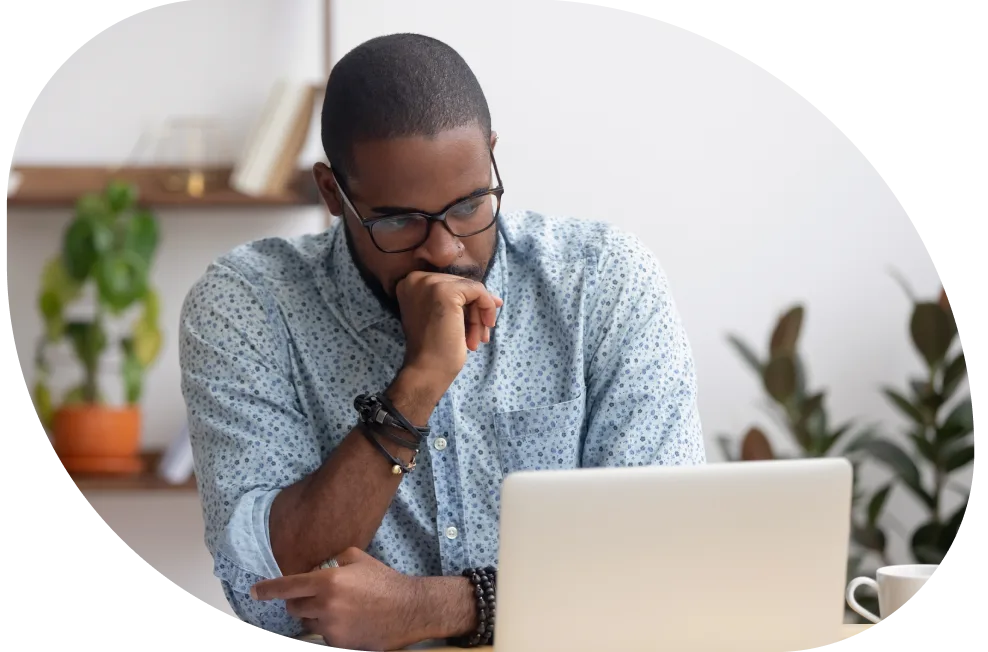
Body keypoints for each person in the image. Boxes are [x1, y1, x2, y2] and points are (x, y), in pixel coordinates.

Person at [179, 32, 706, 650]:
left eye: (468, 204)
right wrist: (417, 385)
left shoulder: (602, 282)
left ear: (491, 157)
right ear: (331, 194)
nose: (445, 248)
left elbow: (665, 558)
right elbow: (263, 592)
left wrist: (428, 608)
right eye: (398, 219)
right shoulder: (251, 304)